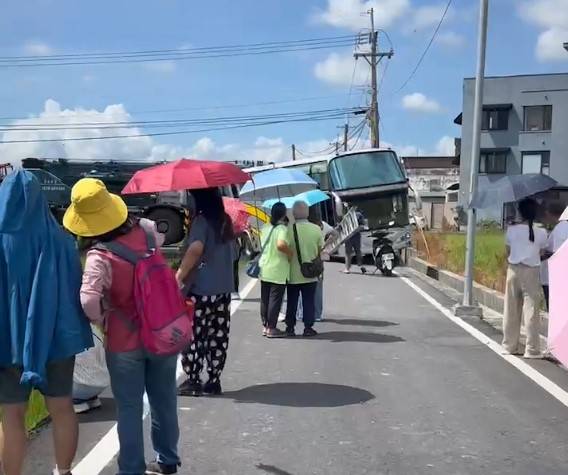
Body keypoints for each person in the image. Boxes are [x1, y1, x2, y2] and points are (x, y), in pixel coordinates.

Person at [63, 178, 180, 475]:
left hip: (123, 338)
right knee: (164, 400)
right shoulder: (148, 230)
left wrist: (102, 316)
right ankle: (167, 459)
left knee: (129, 408)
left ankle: (131, 469)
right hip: (163, 331)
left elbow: (89, 300)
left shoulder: (99, 255)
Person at [0, 171, 93, 475]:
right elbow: (73, 292)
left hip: (7, 340)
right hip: (55, 339)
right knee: (63, 407)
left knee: (12, 415)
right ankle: (64, 470)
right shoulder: (62, 240)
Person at [176, 188, 236, 397]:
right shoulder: (225, 221)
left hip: (201, 289)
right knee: (218, 335)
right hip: (223, 289)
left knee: (194, 335)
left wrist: (180, 274)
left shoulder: (201, 222)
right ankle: (214, 379)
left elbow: (195, 248)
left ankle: (193, 379)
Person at [502, 198, 548, 359]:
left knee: (511, 309)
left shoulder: (511, 230)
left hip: (513, 270)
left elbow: (507, 251)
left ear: (520, 212)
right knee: (531, 311)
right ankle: (532, 349)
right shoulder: (541, 232)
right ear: (535, 213)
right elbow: (542, 253)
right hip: (531, 272)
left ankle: (509, 345)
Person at [285, 201, 324, 337]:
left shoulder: (288, 230)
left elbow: (285, 250)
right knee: (309, 301)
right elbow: (320, 250)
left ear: (294, 214)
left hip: (292, 273)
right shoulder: (316, 229)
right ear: (307, 213)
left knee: (292, 301)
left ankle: (290, 327)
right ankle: (308, 327)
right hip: (311, 273)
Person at [258, 202, 293, 338]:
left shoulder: (265, 227)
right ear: (283, 214)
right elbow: (280, 245)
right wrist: (290, 253)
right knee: (275, 300)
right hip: (278, 269)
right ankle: (272, 328)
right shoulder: (282, 229)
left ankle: (265, 326)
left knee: (265, 299)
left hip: (265, 267)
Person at [72, 325, 109, 414]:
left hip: (79, 387)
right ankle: (91, 397)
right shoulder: (93, 326)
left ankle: (76, 399)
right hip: (102, 384)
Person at [540, 202, 568, 311]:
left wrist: (543, 255)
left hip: (555, 278)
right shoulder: (560, 228)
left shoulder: (561, 228)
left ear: (548, 214)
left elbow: (558, 254)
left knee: (555, 308)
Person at [344, 208, 367, 274]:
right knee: (355, 251)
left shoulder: (347, 215)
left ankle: (348, 268)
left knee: (351, 252)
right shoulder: (347, 215)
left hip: (351, 236)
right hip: (351, 236)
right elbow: (362, 226)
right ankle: (359, 266)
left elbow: (362, 226)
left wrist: (354, 231)